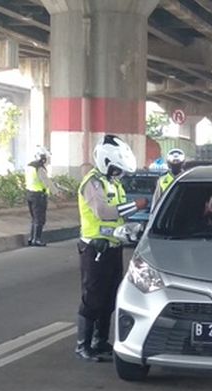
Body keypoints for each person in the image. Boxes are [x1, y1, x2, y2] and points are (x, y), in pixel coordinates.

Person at [75, 134, 147, 362]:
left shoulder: (113, 184)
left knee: (110, 296)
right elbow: (103, 212)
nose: (120, 174)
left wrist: (131, 228)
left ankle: (100, 341)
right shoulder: (92, 183)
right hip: (95, 249)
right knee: (93, 297)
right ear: (106, 162)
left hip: (113, 248)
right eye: (117, 169)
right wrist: (135, 206)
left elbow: (117, 219)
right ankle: (83, 345)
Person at [24, 145, 51, 246]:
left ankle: (31, 238)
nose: (46, 160)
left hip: (30, 194)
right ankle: (37, 239)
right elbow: (46, 182)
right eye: (45, 158)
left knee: (34, 218)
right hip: (39, 195)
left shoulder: (29, 166)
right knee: (40, 219)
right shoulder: (39, 168)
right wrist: (57, 191)